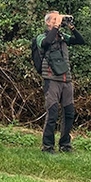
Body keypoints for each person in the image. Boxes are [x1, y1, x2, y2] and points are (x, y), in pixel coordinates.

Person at [36, 11, 85, 154]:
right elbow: (46, 43)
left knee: (69, 113)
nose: (58, 21)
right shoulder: (42, 37)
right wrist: (56, 26)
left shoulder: (63, 37)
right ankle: (48, 146)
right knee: (52, 114)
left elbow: (81, 41)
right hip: (51, 80)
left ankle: (65, 144)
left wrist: (71, 27)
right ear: (48, 22)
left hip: (66, 80)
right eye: (55, 19)